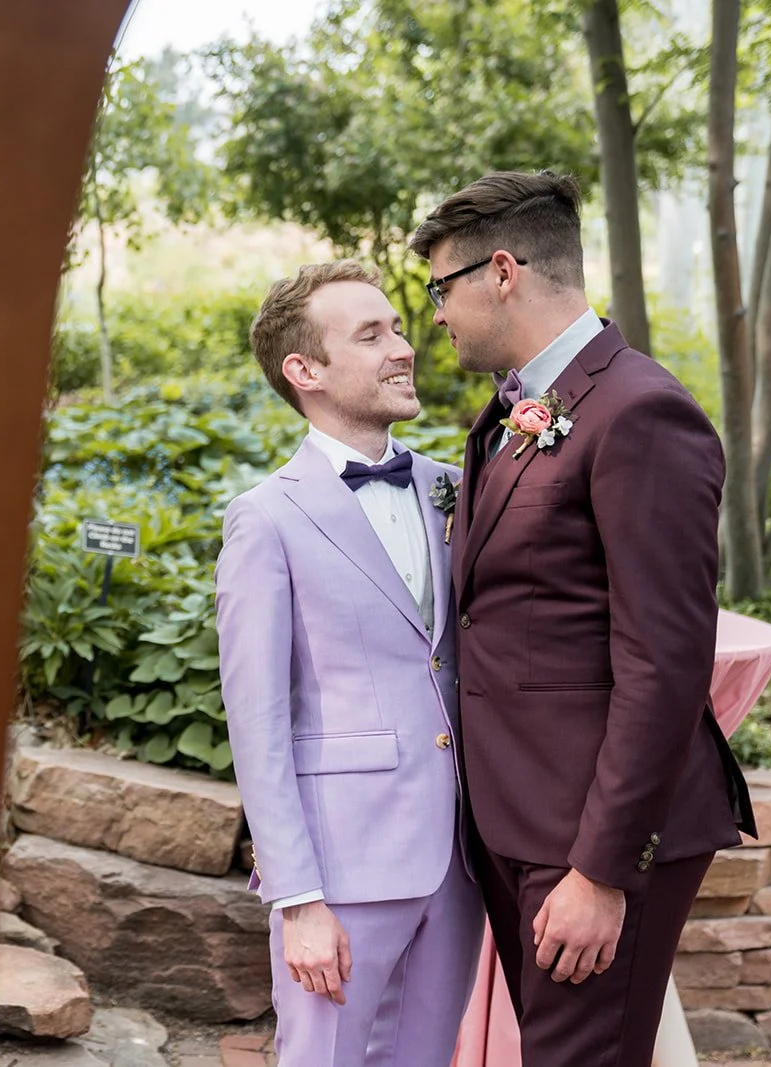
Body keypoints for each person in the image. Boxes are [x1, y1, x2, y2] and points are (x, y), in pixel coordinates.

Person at [408, 170, 756, 1067]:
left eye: (441, 289)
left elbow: (665, 662)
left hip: (590, 838)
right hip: (518, 818)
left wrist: (602, 871)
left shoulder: (642, 412)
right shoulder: (511, 412)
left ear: (502, 272)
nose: (436, 315)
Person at [216, 260, 482, 1066]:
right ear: (306, 371)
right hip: (342, 869)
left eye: (397, 327)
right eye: (371, 335)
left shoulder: (456, 489)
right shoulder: (266, 519)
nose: (403, 347)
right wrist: (298, 898)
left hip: (461, 865)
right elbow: (257, 721)